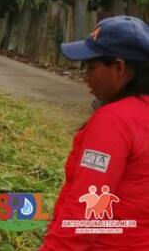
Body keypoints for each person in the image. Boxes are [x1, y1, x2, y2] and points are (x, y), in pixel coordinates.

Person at [40, 16, 149, 250]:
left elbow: (85, 215)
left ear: (119, 68)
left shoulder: (114, 121)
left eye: (91, 67)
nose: (85, 76)